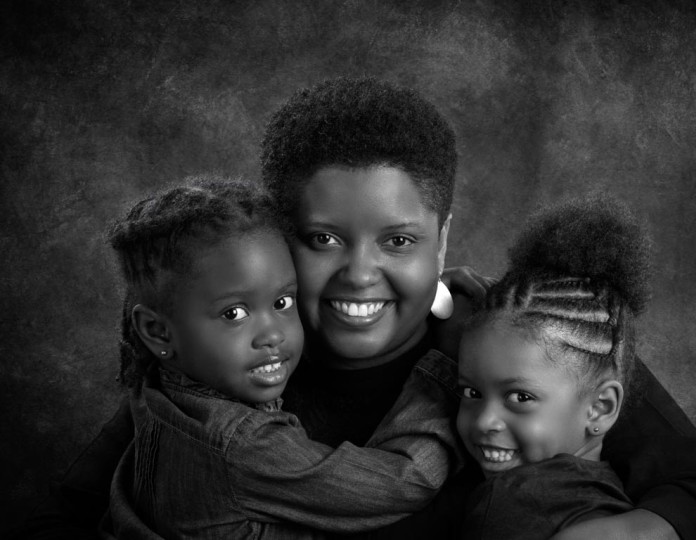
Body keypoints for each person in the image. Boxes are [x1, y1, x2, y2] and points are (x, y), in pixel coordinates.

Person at [14, 77, 696, 540]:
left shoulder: (514, 339)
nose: (359, 274)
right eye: (321, 238)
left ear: (442, 241)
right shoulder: (224, 371)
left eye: (399, 239)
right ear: (281, 238)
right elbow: (64, 514)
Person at [102, 178, 462, 538]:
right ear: (157, 332)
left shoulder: (154, 389)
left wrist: (429, 289)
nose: (272, 335)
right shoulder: (242, 445)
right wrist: (445, 366)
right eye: (234, 314)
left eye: (282, 303)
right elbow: (402, 482)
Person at [455, 194, 655, 539]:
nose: (484, 421)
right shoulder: (610, 498)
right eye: (471, 392)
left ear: (600, 408)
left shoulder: (508, 505)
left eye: (520, 397)